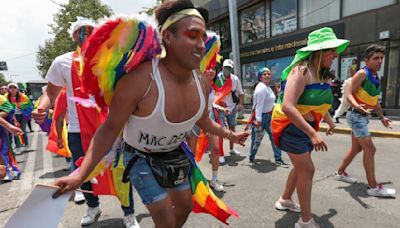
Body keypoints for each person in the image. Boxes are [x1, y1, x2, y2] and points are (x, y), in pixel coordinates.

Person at [50, 1, 248, 227]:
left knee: (184, 207)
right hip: (140, 157)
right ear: (167, 37)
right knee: (164, 215)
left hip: (175, 154)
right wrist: (80, 174)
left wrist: (231, 135)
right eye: (192, 35)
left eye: (203, 37)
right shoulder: (139, 81)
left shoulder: (202, 83)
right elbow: (110, 128)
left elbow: (203, 121)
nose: (202, 45)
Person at [31, 17, 140, 227]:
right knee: (83, 173)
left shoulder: (113, 58)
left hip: (111, 126)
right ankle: (93, 206)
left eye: (90, 30)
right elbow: (51, 93)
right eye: (81, 32)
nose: (86, 35)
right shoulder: (61, 62)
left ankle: (129, 212)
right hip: (77, 129)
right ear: (73, 36)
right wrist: (42, 108)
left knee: (121, 171)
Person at [271, 27, 348, 228]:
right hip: (291, 127)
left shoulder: (320, 74)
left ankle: (285, 199)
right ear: (319, 51)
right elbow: (288, 106)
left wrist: (329, 121)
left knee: (301, 168)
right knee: (308, 169)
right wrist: (313, 133)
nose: (335, 55)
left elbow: (318, 104)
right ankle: (305, 221)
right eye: (332, 50)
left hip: (305, 126)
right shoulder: (301, 71)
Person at [334, 44, 395, 198]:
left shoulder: (375, 77)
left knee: (357, 148)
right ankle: (373, 187)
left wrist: (382, 117)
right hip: (355, 116)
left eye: (381, 58)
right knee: (370, 149)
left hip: (362, 116)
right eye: (376, 58)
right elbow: (348, 93)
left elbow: (374, 101)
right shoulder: (362, 74)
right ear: (367, 60)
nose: (379, 61)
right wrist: (357, 106)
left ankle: (340, 172)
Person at [188, 67, 226, 192]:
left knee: (216, 148)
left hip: (208, 118)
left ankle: (214, 179)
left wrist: (220, 108)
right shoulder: (196, 84)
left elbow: (210, 103)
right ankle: (190, 181)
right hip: (194, 120)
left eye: (213, 69)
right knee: (191, 153)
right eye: (208, 68)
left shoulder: (211, 86)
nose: (211, 71)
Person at [249, 67, 288, 168]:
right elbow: (259, 105)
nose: (267, 76)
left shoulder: (268, 87)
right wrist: (258, 120)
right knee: (256, 139)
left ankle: (278, 159)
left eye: (269, 74)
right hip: (260, 117)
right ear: (260, 77)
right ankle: (251, 158)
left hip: (269, 116)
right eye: (264, 74)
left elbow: (269, 102)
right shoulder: (261, 88)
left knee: (275, 137)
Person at [216, 59, 244, 162]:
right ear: (222, 68)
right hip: (220, 109)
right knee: (221, 131)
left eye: (229, 68)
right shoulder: (217, 78)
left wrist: (240, 104)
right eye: (226, 68)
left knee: (232, 129)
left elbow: (241, 93)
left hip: (232, 108)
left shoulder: (235, 79)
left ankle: (231, 149)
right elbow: (214, 94)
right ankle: (220, 153)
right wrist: (219, 104)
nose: (227, 70)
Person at [6, 83, 32, 153]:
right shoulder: (6, 97)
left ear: (17, 89)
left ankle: (26, 144)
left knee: (23, 130)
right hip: (12, 116)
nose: (12, 89)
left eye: (14, 87)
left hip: (22, 115)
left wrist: (19, 105)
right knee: (15, 131)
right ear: (8, 89)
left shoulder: (23, 96)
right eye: (10, 88)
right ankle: (18, 146)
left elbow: (29, 105)